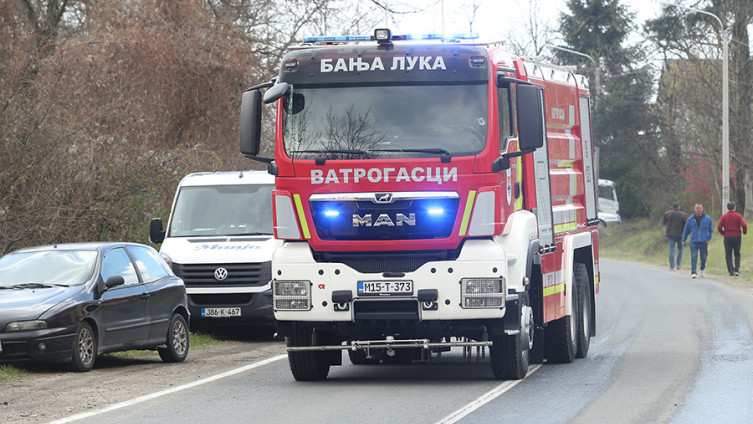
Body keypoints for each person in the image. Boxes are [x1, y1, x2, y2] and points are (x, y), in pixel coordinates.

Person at [682, 203, 713, 279]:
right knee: (694, 257)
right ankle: (693, 272)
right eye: (697, 208)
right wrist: (684, 240)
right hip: (694, 241)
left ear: (702, 209)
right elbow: (686, 230)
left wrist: (708, 239)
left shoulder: (707, 219)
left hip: (703, 241)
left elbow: (711, 230)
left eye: (700, 208)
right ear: (694, 209)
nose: (698, 209)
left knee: (704, 257)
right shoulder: (690, 219)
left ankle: (702, 269)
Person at [717, 201, 748, 276]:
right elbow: (744, 225)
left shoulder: (724, 216)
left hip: (727, 236)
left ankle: (731, 271)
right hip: (737, 236)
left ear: (728, 208)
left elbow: (719, 227)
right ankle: (737, 270)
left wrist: (723, 233)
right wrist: (744, 232)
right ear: (734, 207)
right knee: (737, 253)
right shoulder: (738, 216)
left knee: (728, 254)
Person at [663, 202, 687, 270]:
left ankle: (672, 266)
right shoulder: (683, 214)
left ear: (672, 207)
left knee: (671, 249)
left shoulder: (667, 213)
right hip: (680, 234)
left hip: (670, 234)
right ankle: (678, 264)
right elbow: (686, 225)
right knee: (680, 249)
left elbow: (664, 223)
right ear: (679, 207)